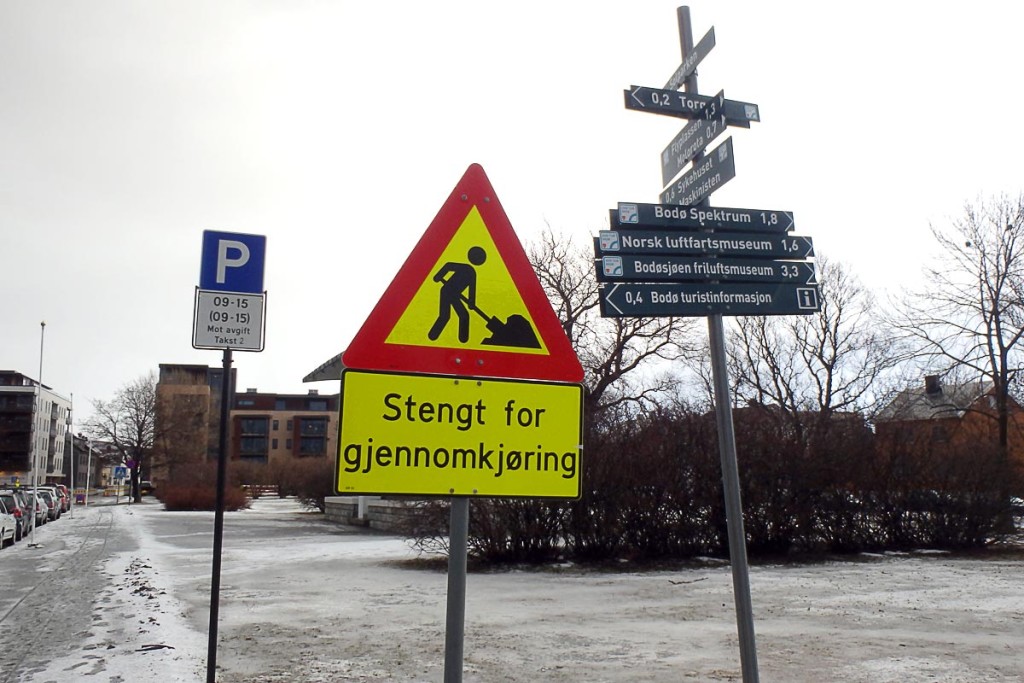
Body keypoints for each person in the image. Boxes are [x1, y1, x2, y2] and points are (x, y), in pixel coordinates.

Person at [427, 246, 487, 343]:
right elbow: (448, 266)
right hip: (446, 291)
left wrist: (471, 302)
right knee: (445, 316)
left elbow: (472, 289)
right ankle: (432, 337)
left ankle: (463, 341)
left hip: (455, 295)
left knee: (464, 316)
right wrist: (438, 276)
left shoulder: (472, 273)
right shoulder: (466, 268)